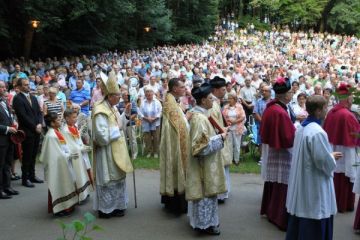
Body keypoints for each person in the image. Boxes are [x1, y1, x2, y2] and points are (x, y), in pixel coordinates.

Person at [286, 95, 343, 240]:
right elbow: (322, 162)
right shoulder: (317, 132)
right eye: (325, 107)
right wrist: (331, 157)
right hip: (313, 182)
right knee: (314, 211)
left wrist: (327, 155)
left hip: (303, 178)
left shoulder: (302, 127)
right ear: (318, 111)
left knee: (302, 210)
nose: (327, 110)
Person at [186, 83, 228, 235]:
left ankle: (204, 223)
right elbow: (200, 148)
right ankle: (204, 225)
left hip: (206, 164)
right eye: (211, 98)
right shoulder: (200, 119)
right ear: (203, 100)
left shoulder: (201, 115)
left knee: (207, 196)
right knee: (205, 195)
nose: (214, 100)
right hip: (203, 166)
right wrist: (221, 138)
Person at [92, 71, 133, 218]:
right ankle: (106, 209)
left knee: (118, 178)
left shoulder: (113, 107)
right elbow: (101, 136)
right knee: (108, 179)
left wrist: (126, 114)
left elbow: (118, 123)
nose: (120, 98)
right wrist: (118, 129)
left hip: (118, 148)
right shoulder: (100, 110)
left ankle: (117, 206)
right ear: (110, 96)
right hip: (107, 151)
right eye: (118, 95)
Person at [260, 77, 296, 230]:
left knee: (275, 183)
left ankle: (270, 211)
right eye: (290, 92)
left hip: (274, 150)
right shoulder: (279, 111)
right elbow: (288, 137)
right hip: (282, 153)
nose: (292, 94)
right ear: (284, 95)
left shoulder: (272, 107)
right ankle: (278, 216)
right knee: (282, 184)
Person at [323, 83, 360, 213]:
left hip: (333, 148)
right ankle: (344, 204)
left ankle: (334, 202)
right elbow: (356, 136)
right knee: (345, 176)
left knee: (336, 175)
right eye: (351, 96)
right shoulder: (348, 115)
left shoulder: (331, 112)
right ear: (347, 98)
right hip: (347, 151)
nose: (352, 99)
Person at [159, 78, 191, 214]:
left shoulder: (171, 100)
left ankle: (169, 200)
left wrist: (186, 116)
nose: (185, 89)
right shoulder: (171, 104)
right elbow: (179, 126)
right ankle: (176, 204)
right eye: (182, 87)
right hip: (175, 145)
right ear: (174, 89)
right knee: (177, 169)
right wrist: (187, 118)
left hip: (173, 142)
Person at [39, 112, 78, 216]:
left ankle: (68, 206)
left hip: (63, 163)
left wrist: (69, 152)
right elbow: (56, 156)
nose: (61, 121)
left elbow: (62, 147)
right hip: (56, 166)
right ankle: (60, 209)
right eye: (58, 120)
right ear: (52, 123)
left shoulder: (57, 131)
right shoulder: (51, 136)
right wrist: (69, 155)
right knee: (59, 185)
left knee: (65, 183)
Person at [12, 78, 44, 188]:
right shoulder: (17, 99)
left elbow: (39, 112)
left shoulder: (33, 97)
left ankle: (32, 175)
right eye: (25, 85)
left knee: (34, 154)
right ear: (19, 87)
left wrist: (39, 124)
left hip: (37, 130)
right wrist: (34, 126)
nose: (28, 86)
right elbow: (22, 116)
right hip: (27, 131)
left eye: (28, 85)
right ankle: (25, 179)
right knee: (27, 156)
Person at [209, 76, 232, 203]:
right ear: (215, 90)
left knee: (223, 166)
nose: (225, 92)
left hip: (221, 135)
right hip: (217, 137)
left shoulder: (216, 102)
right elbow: (212, 123)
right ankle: (220, 193)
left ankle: (223, 191)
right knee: (219, 166)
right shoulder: (212, 103)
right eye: (223, 89)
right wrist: (223, 129)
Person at [62, 109, 92, 203]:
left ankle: (85, 193)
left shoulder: (73, 127)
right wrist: (81, 149)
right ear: (67, 118)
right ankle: (79, 196)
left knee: (83, 174)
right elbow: (70, 145)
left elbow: (77, 141)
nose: (76, 119)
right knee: (77, 176)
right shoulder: (66, 130)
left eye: (76, 117)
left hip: (80, 155)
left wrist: (83, 146)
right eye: (74, 117)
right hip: (74, 157)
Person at [0, 81, 19, 199]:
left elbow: (9, 116)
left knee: (8, 164)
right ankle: (0, 189)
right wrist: (7, 128)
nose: (4, 89)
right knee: (0, 165)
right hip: (1, 139)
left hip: (9, 139)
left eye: (4, 87)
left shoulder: (5, 101)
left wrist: (13, 122)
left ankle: (7, 187)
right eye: (1, 87)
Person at [138, 85, 162, 158]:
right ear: (145, 94)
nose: (148, 93)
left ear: (153, 93)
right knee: (147, 138)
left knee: (156, 138)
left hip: (156, 122)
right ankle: (149, 151)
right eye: (147, 92)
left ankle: (156, 152)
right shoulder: (142, 102)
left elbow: (160, 111)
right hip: (146, 122)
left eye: (150, 92)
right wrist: (146, 118)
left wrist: (155, 118)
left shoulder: (157, 102)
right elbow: (140, 112)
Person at [222, 92, 246, 165]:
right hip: (229, 128)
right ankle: (230, 160)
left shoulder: (239, 106)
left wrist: (234, 122)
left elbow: (243, 117)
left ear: (235, 99)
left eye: (230, 98)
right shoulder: (225, 107)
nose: (229, 100)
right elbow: (223, 117)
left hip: (237, 128)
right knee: (229, 145)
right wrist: (228, 122)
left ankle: (236, 160)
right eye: (228, 98)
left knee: (237, 144)